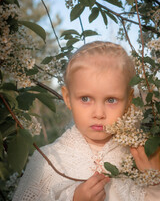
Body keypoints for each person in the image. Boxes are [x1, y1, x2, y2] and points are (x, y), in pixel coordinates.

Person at [13, 41, 160, 201]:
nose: (98, 113)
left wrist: (154, 181)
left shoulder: (140, 157)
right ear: (68, 98)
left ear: (129, 100)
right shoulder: (47, 161)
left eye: (111, 100)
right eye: (85, 98)